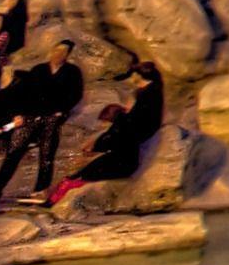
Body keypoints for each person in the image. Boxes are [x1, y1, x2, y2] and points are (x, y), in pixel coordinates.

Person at [0, 43, 82, 206]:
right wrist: (18, 113)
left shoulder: (72, 72)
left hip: (52, 116)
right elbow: (22, 93)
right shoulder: (39, 70)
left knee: (47, 155)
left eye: (63, 52)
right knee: (13, 154)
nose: (58, 54)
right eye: (56, 50)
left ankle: (40, 191)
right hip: (31, 115)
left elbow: (75, 94)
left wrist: (62, 110)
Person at [68, 55, 163, 190]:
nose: (131, 78)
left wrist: (97, 145)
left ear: (139, 76)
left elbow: (127, 127)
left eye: (133, 74)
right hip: (128, 142)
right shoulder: (148, 92)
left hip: (128, 150)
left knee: (89, 171)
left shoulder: (148, 94)